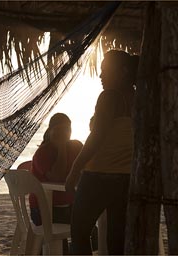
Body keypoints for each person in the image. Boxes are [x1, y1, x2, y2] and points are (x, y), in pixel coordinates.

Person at [65, 50, 139, 255]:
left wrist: (74, 169)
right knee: (117, 240)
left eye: (105, 70)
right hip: (126, 178)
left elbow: (96, 138)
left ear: (123, 72)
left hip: (99, 175)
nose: (100, 75)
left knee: (79, 233)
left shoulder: (109, 96)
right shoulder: (138, 97)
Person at [28, 113, 83, 253]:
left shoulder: (76, 146)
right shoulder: (42, 153)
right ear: (50, 131)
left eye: (67, 130)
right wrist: (61, 148)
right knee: (58, 247)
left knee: (92, 234)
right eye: (59, 129)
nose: (63, 133)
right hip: (44, 209)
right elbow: (58, 177)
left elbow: (87, 169)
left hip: (69, 206)